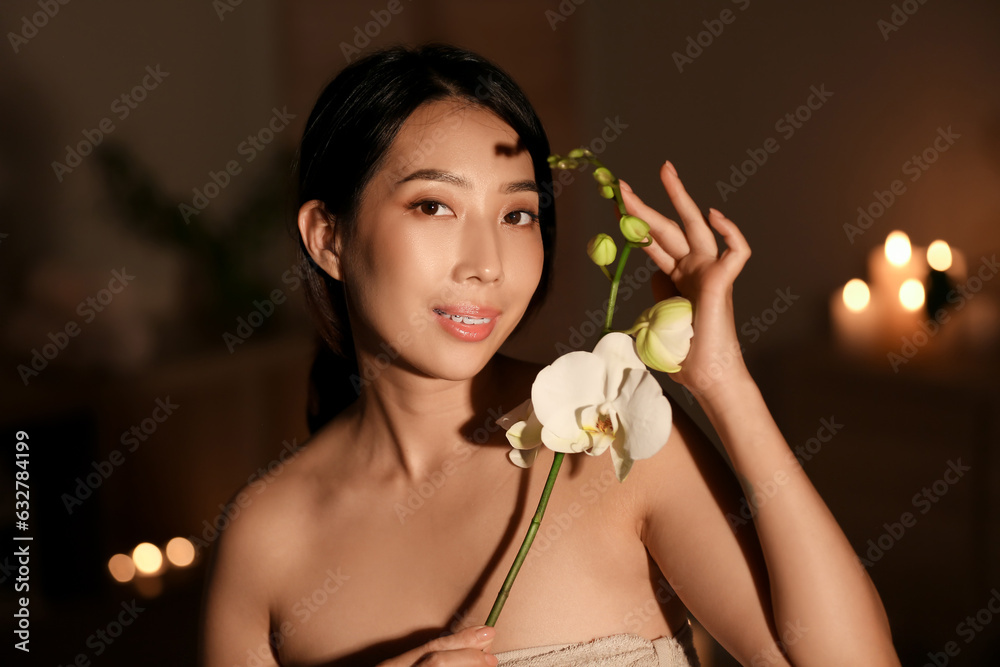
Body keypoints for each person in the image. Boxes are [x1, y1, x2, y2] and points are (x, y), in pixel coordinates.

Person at [199, 44, 901, 667]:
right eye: (434, 207)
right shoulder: (266, 539)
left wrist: (724, 382)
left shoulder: (613, 438)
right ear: (328, 237)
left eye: (518, 215)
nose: (487, 263)